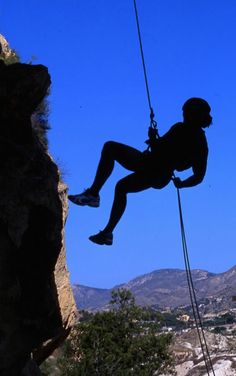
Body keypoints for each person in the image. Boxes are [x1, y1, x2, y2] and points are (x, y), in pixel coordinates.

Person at [69, 97, 212, 246]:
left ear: (193, 114)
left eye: (186, 113)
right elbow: (198, 175)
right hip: (158, 172)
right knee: (121, 186)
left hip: (153, 167)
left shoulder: (186, 133)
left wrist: (153, 139)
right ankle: (107, 232)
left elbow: (167, 152)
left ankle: (93, 196)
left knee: (110, 149)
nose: (184, 115)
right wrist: (182, 183)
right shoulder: (195, 139)